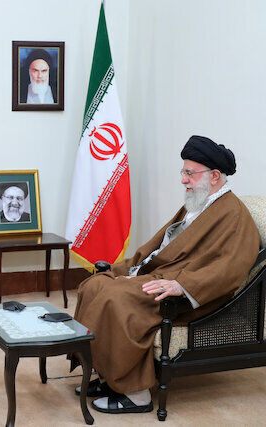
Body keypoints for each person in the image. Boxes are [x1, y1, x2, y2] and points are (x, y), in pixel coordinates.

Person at [72, 135, 260, 414]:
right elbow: (161, 244)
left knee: (117, 298)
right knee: (94, 285)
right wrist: (130, 268)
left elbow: (230, 269)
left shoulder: (234, 214)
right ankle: (107, 377)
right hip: (161, 275)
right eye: (183, 172)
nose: (183, 180)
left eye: (190, 173)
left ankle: (136, 394)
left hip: (188, 293)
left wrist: (182, 286)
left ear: (215, 176)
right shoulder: (198, 203)